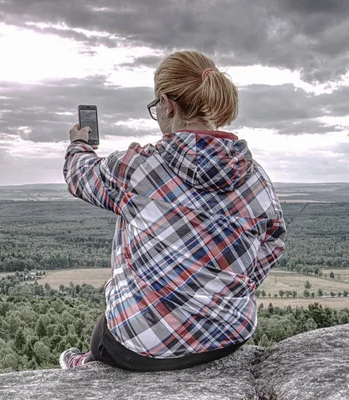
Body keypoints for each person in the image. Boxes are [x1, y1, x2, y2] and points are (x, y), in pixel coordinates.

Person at [60, 50, 286, 371]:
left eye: (156, 107)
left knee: (103, 333)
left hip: (144, 346)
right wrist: (223, 292)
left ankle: (81, 366)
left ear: (168, 104)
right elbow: (273, 243)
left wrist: (79, 145)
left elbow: (79, 175)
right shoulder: (254, 175)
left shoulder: (137, 168)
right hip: (228, 336)